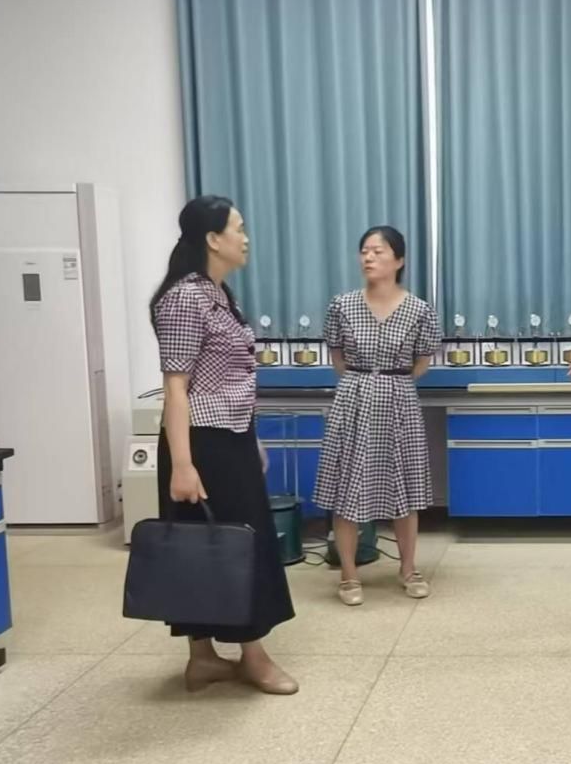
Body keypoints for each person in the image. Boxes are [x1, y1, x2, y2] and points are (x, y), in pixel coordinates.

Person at [150, 195, 297, 695]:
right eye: (239, 228)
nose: (246, 237)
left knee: (213, 545)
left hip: (229, 438)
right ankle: (252, 658)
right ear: (213, 239)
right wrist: (183, 465)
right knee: (231, 546)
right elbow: (176, 388)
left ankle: (203, 659)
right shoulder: (184, 299)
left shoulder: (217, 294)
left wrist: (251, 440)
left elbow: (232, 379)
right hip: (201, 445)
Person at [313, 226, 440, 606]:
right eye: (364, 250)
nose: (368, 257)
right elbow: (338, 359)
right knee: (347, 489)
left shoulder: (420, 310)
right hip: (352, 399)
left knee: (405, 490)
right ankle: (349, 575)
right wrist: (363, 384)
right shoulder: (342, 305)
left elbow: (421, 363)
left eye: (378, 251)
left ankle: (408, 569)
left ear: (399, 260)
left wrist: (389, 383)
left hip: (399, 400)